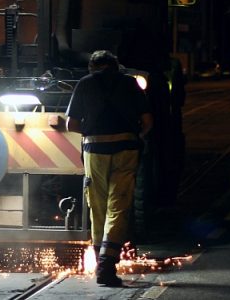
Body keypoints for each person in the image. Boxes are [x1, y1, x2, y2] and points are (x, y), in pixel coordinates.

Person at [65, 50, 153, 287]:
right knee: (118, 206)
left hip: (95, 152)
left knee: (98, 207)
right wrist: (134, 136)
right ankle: (107, 266)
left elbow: (71, 124)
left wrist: (92, 132)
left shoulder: (85, 84)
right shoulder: (130, 83)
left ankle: (99, 263)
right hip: (126, 150)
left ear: (92, 67)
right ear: (116, 66)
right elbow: (147, 122)